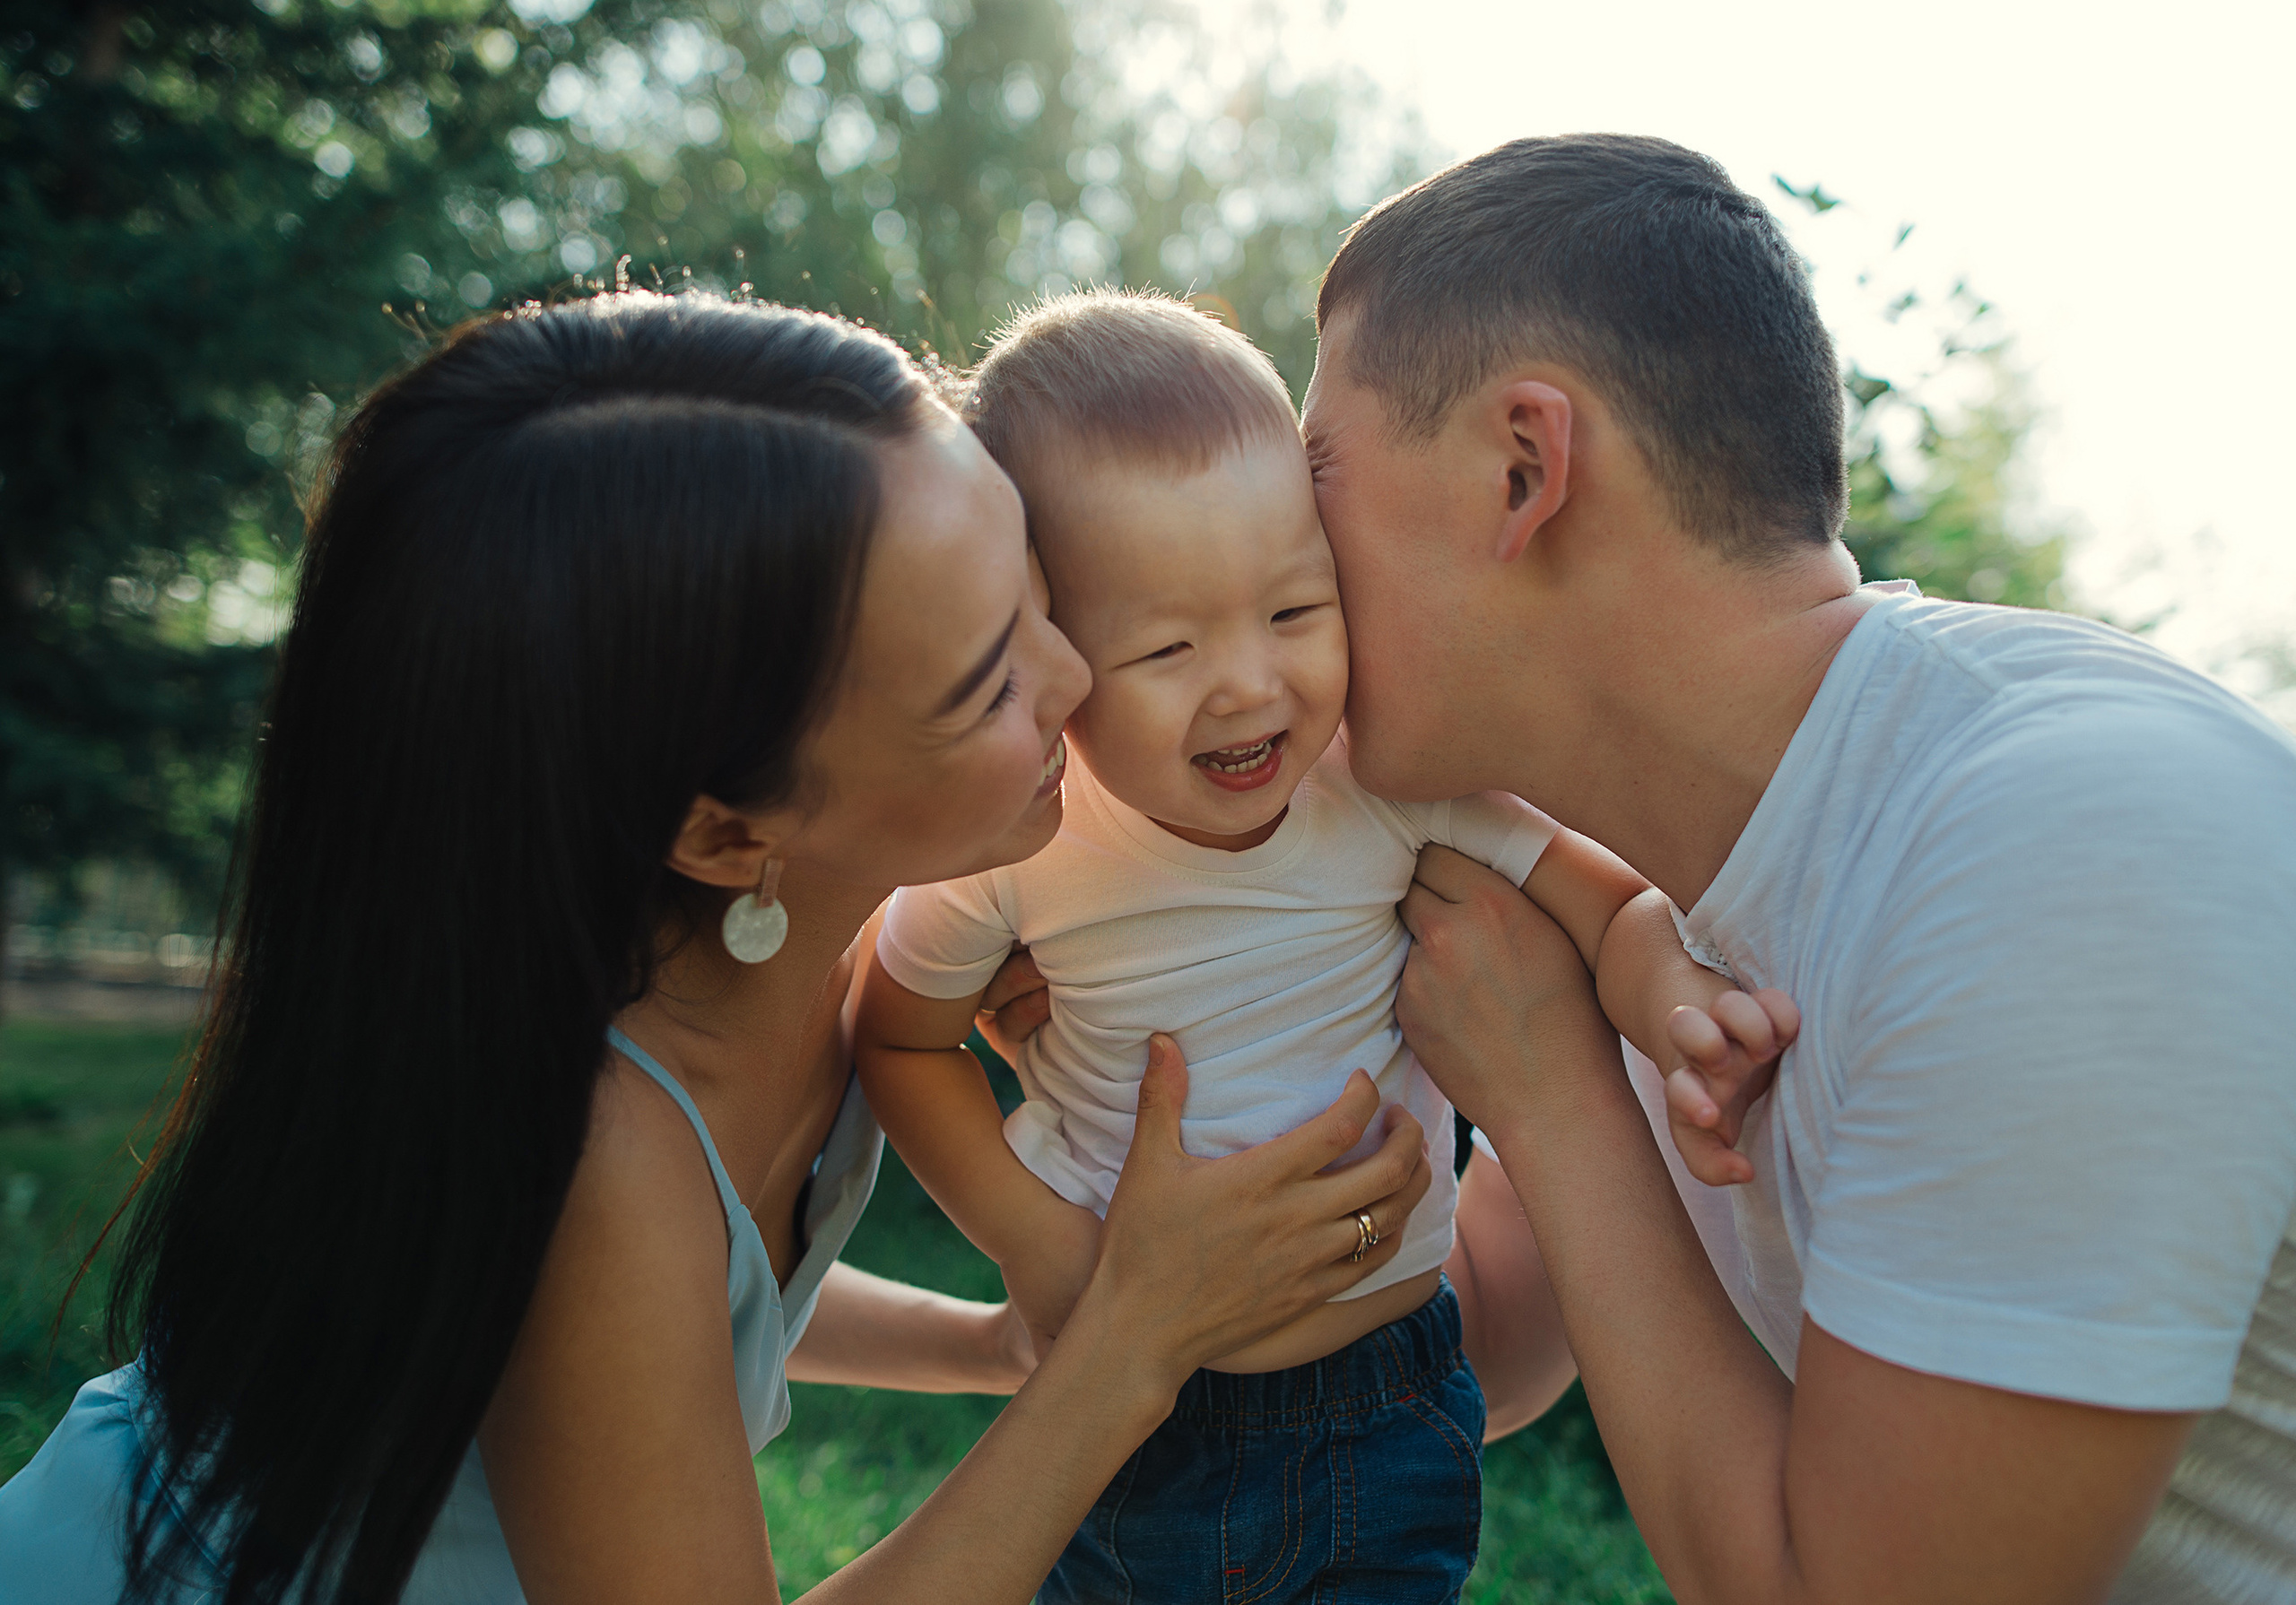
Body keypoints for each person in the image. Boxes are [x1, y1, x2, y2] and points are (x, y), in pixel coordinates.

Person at [0, 291, 1436, 1604]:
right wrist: (1132, 1342)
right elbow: (624, 1285)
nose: (1073, 681)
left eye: (1044, 598)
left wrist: (994, 1338)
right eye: (990, 675)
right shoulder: (589, 1150)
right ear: (725, 830)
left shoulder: (815, 945)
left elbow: (680, 1331)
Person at [1294, 133, 2296, 1601]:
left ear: (1524, 468)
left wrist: (1557, 1088)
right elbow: (1494, 1320)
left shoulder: (2060, 844)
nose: (1279, 543)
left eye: (1317, 473)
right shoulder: (1682, 871)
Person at [853, 289, 1779, 1604]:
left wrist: (1671, 993)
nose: (1249, 682)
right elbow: (898, 1032)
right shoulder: (1028, 840)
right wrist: (1040, 1241)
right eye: (1169, 644)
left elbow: (1605, 900)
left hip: (1384, 1405)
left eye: (1295, 610)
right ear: (1051, 647)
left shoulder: (1382, 780)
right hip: (1129, 1420)